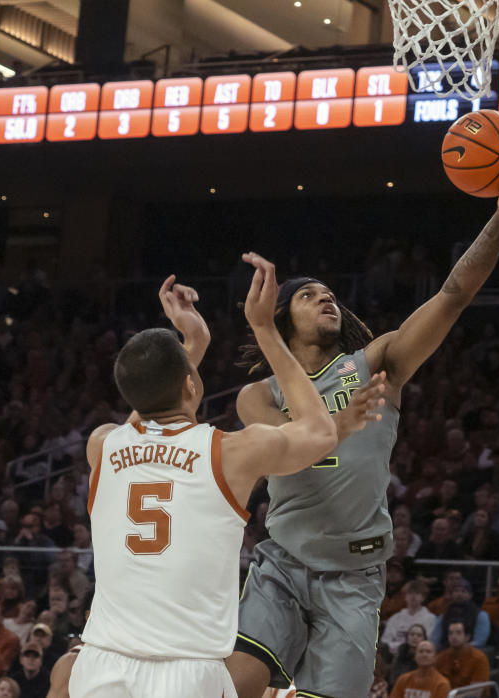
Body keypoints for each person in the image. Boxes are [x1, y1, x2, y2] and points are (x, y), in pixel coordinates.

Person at [229, 143, 499, 698]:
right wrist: (273, 345)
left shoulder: (376, 362)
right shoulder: (257, 394)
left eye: (331, 295)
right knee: (233, 683)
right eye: (311, 296)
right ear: (281, 317)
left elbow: (454, 293)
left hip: (355, 576)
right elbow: (296, 445)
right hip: (283, 565)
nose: (328, 300)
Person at [70, 260, 375, 698]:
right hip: (187, 674)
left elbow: (143, 405)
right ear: (191, 388)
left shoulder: (102, 446)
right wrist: (265, 328)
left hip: (100, 665)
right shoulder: (229, 452)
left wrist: (192, 345)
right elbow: (321, 430)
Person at [382, 581, 437, 655]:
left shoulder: (431, 619)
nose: (413, 596)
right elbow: (385, 641)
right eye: (410, 593)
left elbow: (429, 642)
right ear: (405, 597)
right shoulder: (395, 618)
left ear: (423, 597)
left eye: (417, 593)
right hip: (395, 656)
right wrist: (402, 648)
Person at [434, 622, 490, 690]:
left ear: (467, 637)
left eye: (458, 633)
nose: (454, 637)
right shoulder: (441, 657)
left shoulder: (479, 658)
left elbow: (477, 690)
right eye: (450, 633)